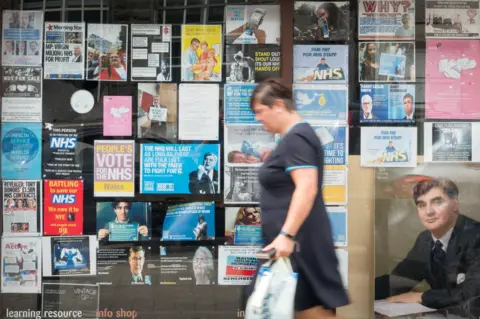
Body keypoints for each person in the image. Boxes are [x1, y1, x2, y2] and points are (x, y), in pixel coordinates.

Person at [245, 78, 349, 318]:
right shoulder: (294, 139)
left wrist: (286, 235)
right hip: (292, 245)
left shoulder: (297, 139)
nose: (257, 118)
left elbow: (307, 188)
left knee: (309, 308)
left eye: (260, 111)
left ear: (279, 105)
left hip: (298, 245)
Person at [375, 178, 480, 316]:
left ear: (455, 205)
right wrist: (361, 291)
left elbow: (471, 294)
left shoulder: (475, 236)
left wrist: (421, 297)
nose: (429, 212)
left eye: (437, 202)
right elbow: (400, 279)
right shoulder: (425, 239)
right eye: (422, 205)